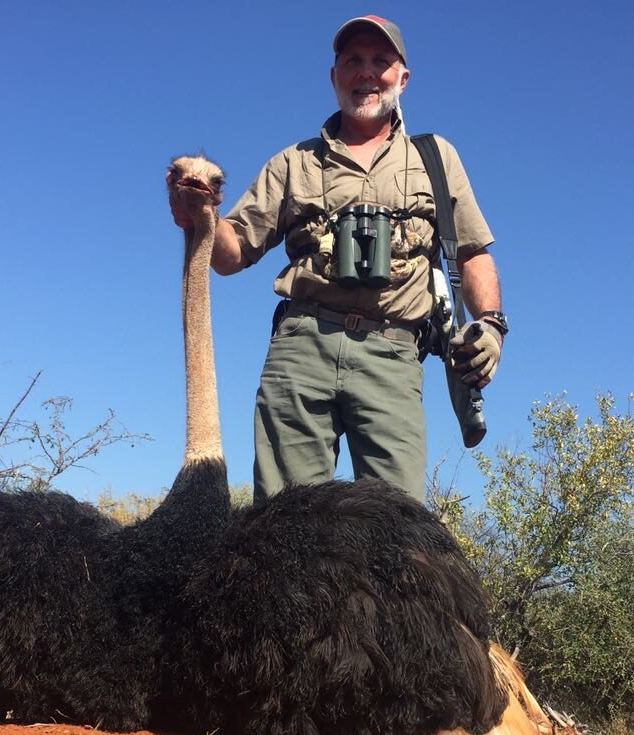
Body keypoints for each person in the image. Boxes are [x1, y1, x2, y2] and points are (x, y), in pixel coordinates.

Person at [206, 15, 507, 503]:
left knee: (399, 530)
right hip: (302, 348)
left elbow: (471, 251)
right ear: (334, 76)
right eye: (353, 61)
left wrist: (490, 324)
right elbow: (230, 253)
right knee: (286, 528)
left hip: (393, 352)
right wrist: (202, 212)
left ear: (402, 78)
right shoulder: (292, 162)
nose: (367, 73)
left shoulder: (436, 157)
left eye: (381, 61)